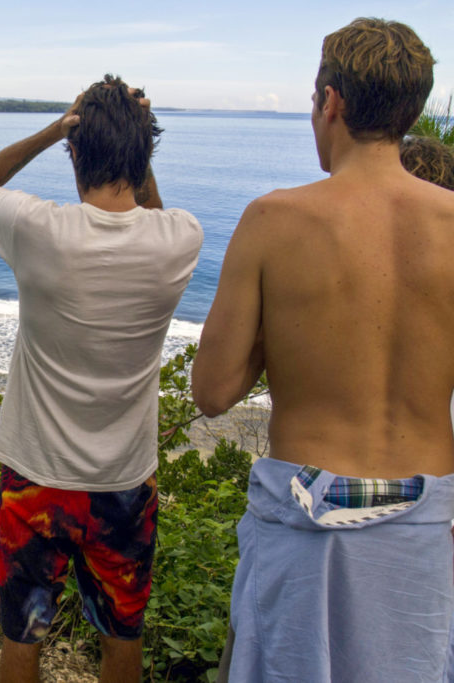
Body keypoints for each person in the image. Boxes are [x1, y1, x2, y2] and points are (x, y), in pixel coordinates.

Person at [192, 17, 454, 682]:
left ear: (331, 101)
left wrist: (281, 334)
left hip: (304, 532)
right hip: (422, 531)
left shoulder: (272, 221)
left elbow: (213, 390)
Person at [0, 75, 203, 683]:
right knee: (123, 634)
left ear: (75, 151)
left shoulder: (39, 230)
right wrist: (136, 144)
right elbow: (155, 215)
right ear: (144, 155)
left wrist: (55, 128)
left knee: (24, 634)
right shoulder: (181, 239)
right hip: (123, 479)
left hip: (37, 476)